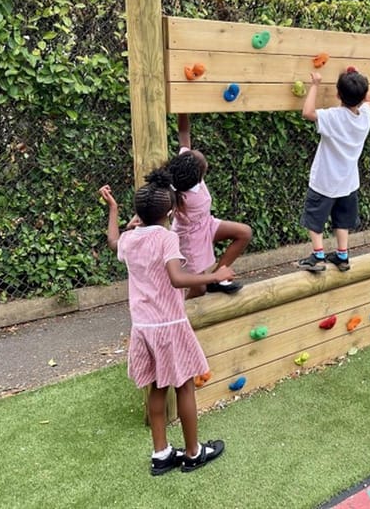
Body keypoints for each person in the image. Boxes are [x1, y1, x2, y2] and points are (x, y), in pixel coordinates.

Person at [98, 169, 227, 475]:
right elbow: (177, 277)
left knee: (157, 389)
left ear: (138, 213)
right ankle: (194, 453)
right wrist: (215, 275)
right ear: (170, 211)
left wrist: (113, 210)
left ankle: (161, 454)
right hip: (170, 326)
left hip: (143, 329)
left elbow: (113, 241)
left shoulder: (130, 240)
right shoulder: (168, 238)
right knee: (184, 388)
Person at [297, 69, 370, 272]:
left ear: (338, 94)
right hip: (348, 183)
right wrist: (356, 77)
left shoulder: (333, 117)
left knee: (314, 218)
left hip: (324, 181)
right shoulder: (365, 117)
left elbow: (307, 113)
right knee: (343, 219)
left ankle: (318, 255)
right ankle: (342, 255)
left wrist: (315, 84)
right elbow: (368, 100)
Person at [169, 114, 252, 297]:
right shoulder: (181, 197)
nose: (204, 160)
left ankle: (218, 276)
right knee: (199, 289)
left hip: (207, 224)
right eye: (204, 163)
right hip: (190, 239)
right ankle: (179, 311)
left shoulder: (185, 168)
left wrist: (183, 110)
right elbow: (163, 209)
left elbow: (184, 133)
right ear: (199, 175)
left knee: (244, 233)